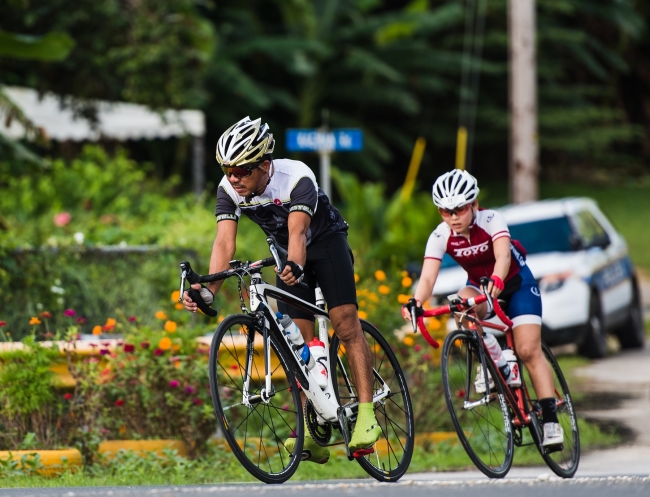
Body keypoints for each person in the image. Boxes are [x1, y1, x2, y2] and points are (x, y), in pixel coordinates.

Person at [182, 116, 381, 463]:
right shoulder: (229, 190)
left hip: (323, 244)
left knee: (345, 322)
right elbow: (224, 243)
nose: (233, 178)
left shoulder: (296, 177)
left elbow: (298, 232)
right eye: (228, 169)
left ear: (263, 164)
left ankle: (366, 414)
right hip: (285, 253)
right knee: (296, 347)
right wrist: (209, 289)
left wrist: (295, 265)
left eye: (242, 170)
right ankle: (312, 428)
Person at [402, 169, 564, 447]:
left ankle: (550, 421)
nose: (453, 217)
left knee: (527, 349)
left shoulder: (491, 220)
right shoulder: (441, 235)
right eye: (445, 211)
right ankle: (498, 363)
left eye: (460, 209)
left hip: (515, 284)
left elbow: (502, 255)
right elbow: (428, 276)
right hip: (479, 286)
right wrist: (417, 302)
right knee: (460, 305)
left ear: (474, 204)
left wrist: (499, 278)